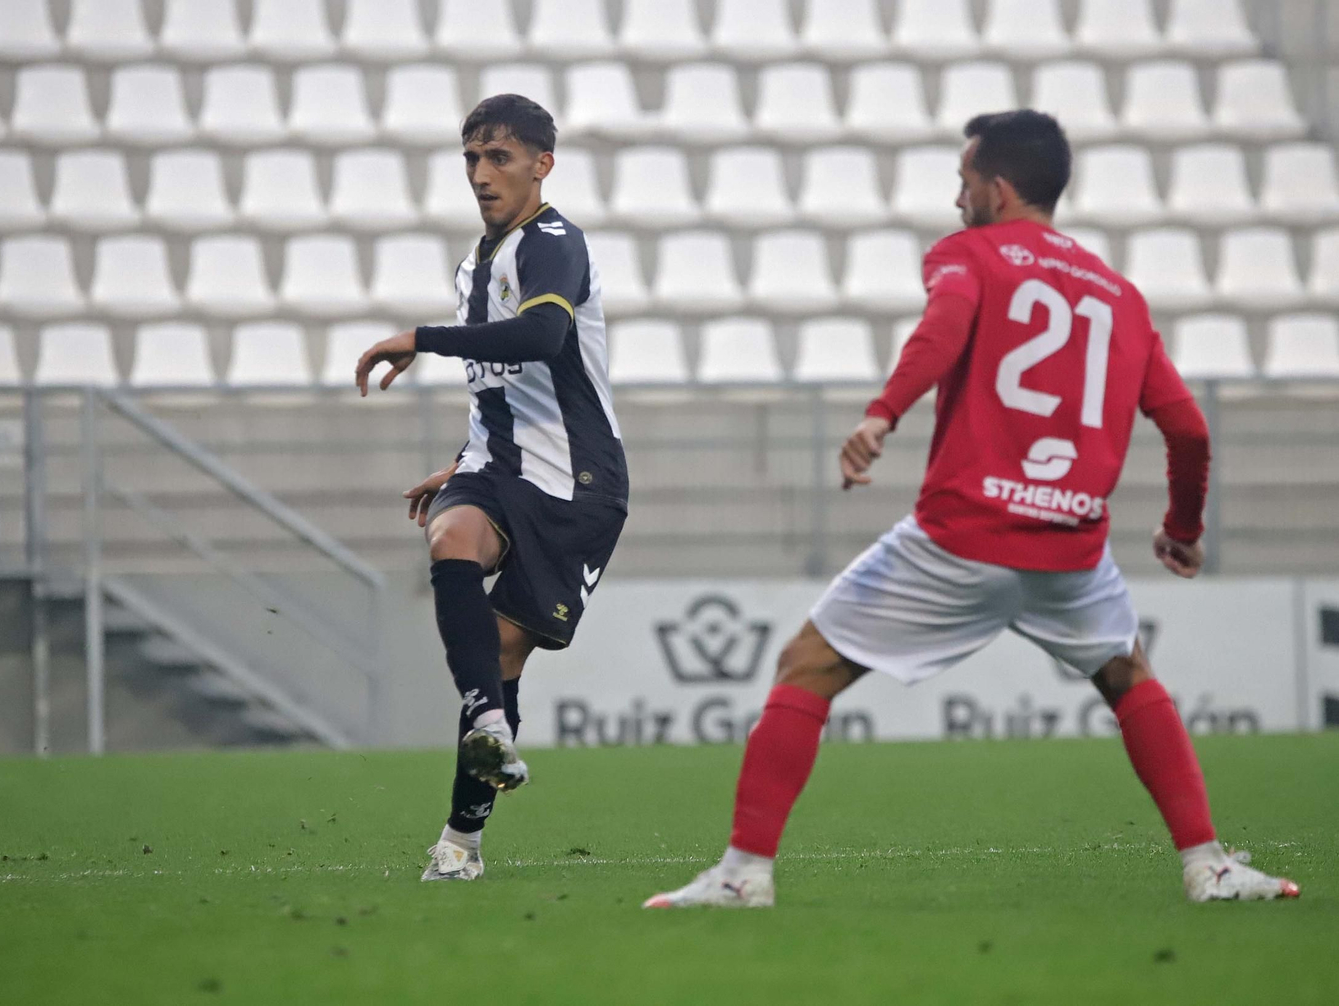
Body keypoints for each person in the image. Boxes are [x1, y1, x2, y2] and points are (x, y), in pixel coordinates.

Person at [645, 110, 1299, 908]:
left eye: (964, 183)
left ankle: (744, 876)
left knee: (805, 666)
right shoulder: (1121, 295)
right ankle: (1210, 866)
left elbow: (944, 329)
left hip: (963, 536)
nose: (958, 201)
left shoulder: (971, 255)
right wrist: (1183, 530)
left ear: (997, 188)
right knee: (1130, 675)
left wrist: (883, 412)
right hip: (1071, 547)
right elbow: (1190, 430)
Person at [354, 95, 629, 883]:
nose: (480, 173)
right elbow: (499, 385)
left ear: (543, 164)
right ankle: (484, 726)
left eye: (498, 157)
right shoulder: (473, 266)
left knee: (504, 652)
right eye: (471, 157)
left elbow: (542, 338)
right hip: (496, 464)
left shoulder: (554, 245)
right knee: (451, 539)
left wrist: (421, 339)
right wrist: (462, 460)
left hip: (578, 482)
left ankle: (463, 839)